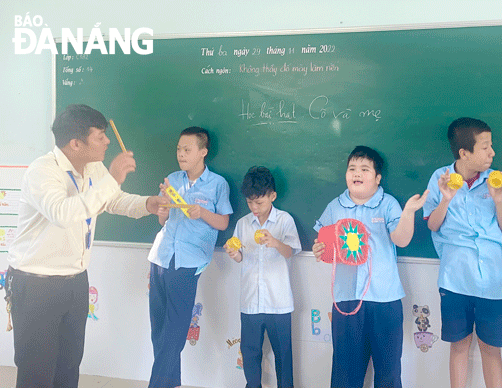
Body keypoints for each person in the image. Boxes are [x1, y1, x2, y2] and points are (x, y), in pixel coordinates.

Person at [6, 104, 167, 388]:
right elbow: (63, 213)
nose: (107, 142)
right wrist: (113, 178)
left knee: (68, 368)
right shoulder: (42, 171)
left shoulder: (92, 166)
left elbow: (110, 200)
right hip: (36, 284)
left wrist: (146, 204)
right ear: (76, 143)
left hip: (75, 281)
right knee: (36, 373)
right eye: (100, 136)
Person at [312, 145, 428, 388]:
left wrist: (408, 213)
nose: (357, 173)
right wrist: (319, 250)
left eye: (365, 169)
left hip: (385, 299)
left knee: (388, 372)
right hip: (346, 300)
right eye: (352, 168)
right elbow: (323, 242)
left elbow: (401, 239)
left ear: (377, 178)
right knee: (345, 373)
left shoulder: (388, 204)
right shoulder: (336, 206)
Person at [422, 117, 502, 388]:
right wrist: (446, 199)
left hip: (494, 281)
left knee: (491, 348)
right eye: (485, 147)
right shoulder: (440, 179)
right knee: (459, 346)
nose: (492, 153)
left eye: (491, 146)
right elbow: (433, 224)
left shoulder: (497, 181)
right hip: (455, 279)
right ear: (464, 153)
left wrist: (499, 201)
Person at [147, 126, 232, 388]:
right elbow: (163, 219)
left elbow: (223, 223)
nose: (181, 154)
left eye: (187, 149)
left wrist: (201, 213)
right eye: (178, 149)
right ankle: (170, 382)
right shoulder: (172, 179)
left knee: (175, 330)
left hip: (189, 261)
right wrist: (161, 207)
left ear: (203, 152)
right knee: (159, 329)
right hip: (161, 257)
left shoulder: (217, 184)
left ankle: (157, 385)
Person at [224, 166, 301, 388]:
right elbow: (240, 257)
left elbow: (291, 252)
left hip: (278, 302)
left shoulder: (284, 220)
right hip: (250, 302)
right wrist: (233, 252)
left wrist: (274, 241)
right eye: (250, 202)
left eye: (259, 202)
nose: (254, 208)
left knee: (283, 355)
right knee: (250, 354)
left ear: (272, 196)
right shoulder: (242, 223)